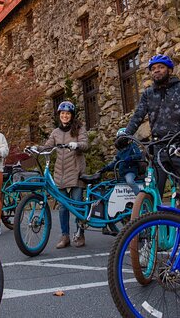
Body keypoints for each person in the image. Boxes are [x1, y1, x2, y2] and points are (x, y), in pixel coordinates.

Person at [118, 54, 180, 197]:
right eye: (153, 68)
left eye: (161, 67)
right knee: (156, 193)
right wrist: (125, 135)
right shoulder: (148, 94)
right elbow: (138, 116)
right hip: (159, 148)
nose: (156, 71)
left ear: (170, 70)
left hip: (179, 146)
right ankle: (158, 218)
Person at [41, 101, 89, 248]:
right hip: (60, 173)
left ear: (72, 115)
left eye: (67, 113)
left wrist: (77, 145)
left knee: (77, 205)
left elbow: (86, 145)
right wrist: (36, 148)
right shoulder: (55, 132)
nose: (65, 116)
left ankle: (80, 234)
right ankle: (65, 236)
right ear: (59, 115)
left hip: (76, 171)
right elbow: (48, 146)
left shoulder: (79, 129)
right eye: (62, 113)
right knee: (62, 206)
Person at [100, 128, 143, 195]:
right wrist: (105, 169)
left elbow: (139, 155)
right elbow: (115, 162)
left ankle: (140, 197)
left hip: (130, 171)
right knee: (110, 184)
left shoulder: (132, 146)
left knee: (130, 181)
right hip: (122, 173)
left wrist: (131, 157)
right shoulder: (120, 151)